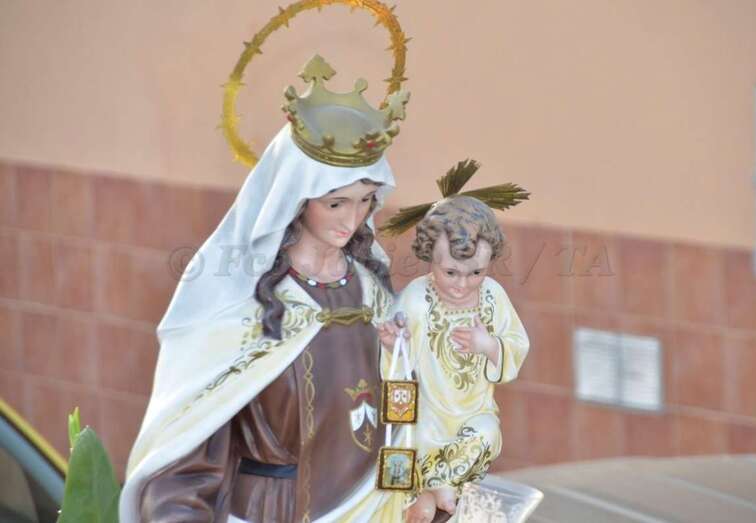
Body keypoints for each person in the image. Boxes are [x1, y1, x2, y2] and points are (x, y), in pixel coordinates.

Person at [119, 56, 410, 523]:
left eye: (364, 201)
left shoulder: (373, 294)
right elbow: (185, 458)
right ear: (295, 198)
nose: (352, 219)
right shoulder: (239, 305)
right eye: (335, 203)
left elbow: (406, 421)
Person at [378, 162, 530, 523]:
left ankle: (435, 487)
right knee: (409, 440)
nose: (462, 285)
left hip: (471, 415)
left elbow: (516, 344)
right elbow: (397, 362)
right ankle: (428, 491)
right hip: (427, 415)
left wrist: (488, 345)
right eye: (450, 273)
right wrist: (392, 345)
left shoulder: (492, 296)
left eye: (476, 273)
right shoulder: (416, 299)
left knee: (487, 434)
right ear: (429, 256)